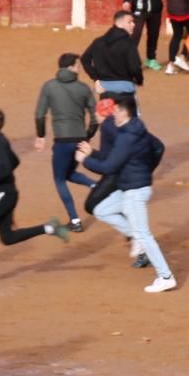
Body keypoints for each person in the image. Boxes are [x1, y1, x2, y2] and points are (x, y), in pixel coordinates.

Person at [0, 106, 72, 287]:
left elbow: (5, 169)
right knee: (7, 237)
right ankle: (49, 228)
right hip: (8, 193)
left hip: (1, 194)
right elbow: (14, 161)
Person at [78, 94, 175, 292]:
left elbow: (109, 166)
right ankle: (136, 238)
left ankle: (165, 276)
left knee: (144, 234)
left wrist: (85, 160)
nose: (113, 114)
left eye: (116, 110)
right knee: (102, 209)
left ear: (123, 112)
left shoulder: (126, 137)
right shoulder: (136, 129)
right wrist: (146, 169)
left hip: (134, 190)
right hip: (131, 186)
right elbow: (156, 148)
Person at [34, 52, 98, 232]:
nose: (79, 69)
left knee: (60, 179)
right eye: (77, 66)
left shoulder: (49, 87)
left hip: (62, 141)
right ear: (70, 67)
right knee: (69, 173)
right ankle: (96, 186)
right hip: (79, 139)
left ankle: (75, 220)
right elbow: (95, 118)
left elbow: (39, 115)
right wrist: (87, 137)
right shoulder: (84, 88)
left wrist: (40, 136)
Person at [81, 11, 145, 101]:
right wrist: (139, 80)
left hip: (104, 89)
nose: (133, 25)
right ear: (119, 23)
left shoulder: (98, 42)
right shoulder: (129, 43)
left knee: (107, 114)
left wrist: (96, 78)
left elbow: (85, 59)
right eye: (129, 22)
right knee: (128, 114)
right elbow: (135, 68)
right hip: (125, 89)